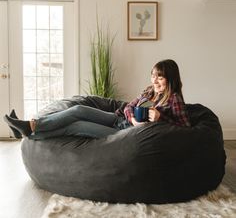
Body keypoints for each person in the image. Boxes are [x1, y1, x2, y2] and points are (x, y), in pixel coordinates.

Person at [4, 59, 190, 139]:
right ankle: (31, 126)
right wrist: (132, 117)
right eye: (153, 75)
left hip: (124, 135)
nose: (154, 81)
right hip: (120, 120)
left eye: (160, 77)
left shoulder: (174, 100)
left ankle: (29, 131)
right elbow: (128, 106)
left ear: (170, 78)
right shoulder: (150, 91)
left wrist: (160, 119)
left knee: (75, 127)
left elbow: (186, 129)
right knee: (78, 110)